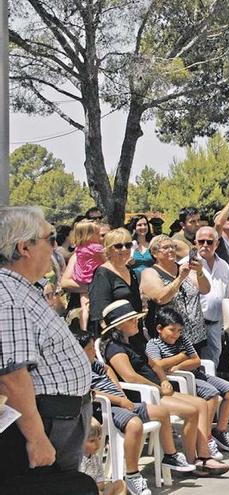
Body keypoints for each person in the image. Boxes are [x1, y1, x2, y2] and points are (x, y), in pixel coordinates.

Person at [0, 206, 97, 495]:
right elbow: (11, 377)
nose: (55, 247)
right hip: (46, 422)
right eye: (49, 238)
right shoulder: (8, 297)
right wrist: (36, 438)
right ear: (23, 247)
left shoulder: (22, 289)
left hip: (58, 419)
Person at [101, 300, 229, 476]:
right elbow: (130, 377)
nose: (136, 322)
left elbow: (154, 365)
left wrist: (164, 381)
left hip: (157, 389)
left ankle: (203, 455)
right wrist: (158, 388)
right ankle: (192, 461)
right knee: (192, 411)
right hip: (145, 395)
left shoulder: (134, 341)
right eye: (131, 320)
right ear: (119, 326)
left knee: (200, 404)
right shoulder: (114, 348)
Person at [79, 332, 195, 494]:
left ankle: (170, 455)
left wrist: (119, 391)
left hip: (123, 401)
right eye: (89, 349)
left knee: (161, 411)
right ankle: (132, 475)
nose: (93, 351)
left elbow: (107, 369)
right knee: (135, 424)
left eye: (93, 347)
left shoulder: (94, 364)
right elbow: (90, 394)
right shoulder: (78, 369)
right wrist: (119, 400)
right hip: (107, 408)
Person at [145, 307, 229, 453]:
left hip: (195, 373)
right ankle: (205, 438)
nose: (176, 334)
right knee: (211, 394)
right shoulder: (153, 344)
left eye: (179, 331)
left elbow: (196, 361)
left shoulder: (183, 339)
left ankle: (220, 431)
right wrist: (182, 356)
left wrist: (179, 364)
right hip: (181, 381)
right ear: (159, 328)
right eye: (172, 330)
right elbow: (157, 365)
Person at [140, 235, 210, 351]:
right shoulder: (150, 273)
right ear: (154, 253)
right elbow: (161, 298)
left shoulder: (185, 268)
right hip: (170, 341)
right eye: (166, 247)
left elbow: (205, 289)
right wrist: (180, 279)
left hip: (196, 337)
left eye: (173, 247)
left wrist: (199, 272)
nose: (171, 250)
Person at [88, 229, 142, 338]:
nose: (124, 249)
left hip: (134, 331)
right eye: (118, 246)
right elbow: (99, 314)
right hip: (115, 336)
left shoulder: (130, 270)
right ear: (108, 250)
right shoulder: (102, 274)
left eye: (128, 245)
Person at [190, 227, 229, 368]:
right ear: (195, 243)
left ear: (217, 244)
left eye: (209, 242)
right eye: (201, 241)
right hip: (194, 327)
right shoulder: (187, 264)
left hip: (216, 326)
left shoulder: (224, 265)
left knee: (212, 366)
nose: (205, 245)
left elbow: (226, 294)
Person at [72, 220, 106, 331]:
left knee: (84, 306)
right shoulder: (96, 248)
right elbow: (106, 259)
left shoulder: (79, 248)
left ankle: (84, 328)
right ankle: (103, 323)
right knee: (99, 303)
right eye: (97, 234)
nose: (99, 237)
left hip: (82, 278)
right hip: (94, 277)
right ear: (90, 235)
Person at [80, 419, 125, 495]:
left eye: (99, 438)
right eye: (92, 440)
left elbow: (101, 483)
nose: (98, 444)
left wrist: (99, 487)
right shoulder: (76, 461)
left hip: (95, 490)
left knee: (121, 484)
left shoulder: (96, 459)